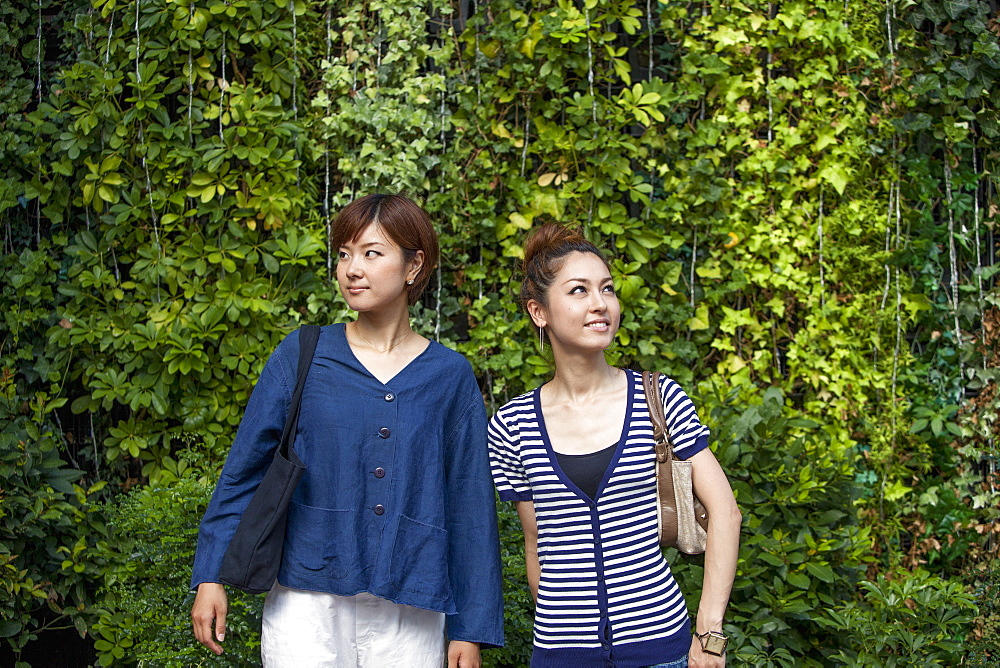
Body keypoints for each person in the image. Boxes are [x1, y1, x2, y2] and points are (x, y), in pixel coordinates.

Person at [190, 193, 504, 667]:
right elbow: (244, 470)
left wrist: (469, 628)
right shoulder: (302, 354)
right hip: (304, 604)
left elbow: (469, 505)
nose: (352, 269)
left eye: (371, 253)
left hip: (411, 606)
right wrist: (211, 574)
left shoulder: (450, 376)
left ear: (414, 266)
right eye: (343, 254)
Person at [488, 224, 741, 668]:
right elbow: (536, 546)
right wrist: (563, 631)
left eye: (607, 289)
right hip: (560, 655)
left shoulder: (658, 399)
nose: (600, 303)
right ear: (538, 311)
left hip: (663, 649)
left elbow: (725, 512)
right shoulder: (512, 425)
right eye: (579, 291)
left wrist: (709, 631)